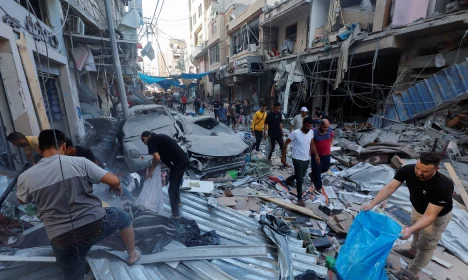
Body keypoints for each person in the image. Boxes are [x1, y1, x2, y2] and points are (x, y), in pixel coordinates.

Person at [17, 129, 140, 279]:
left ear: (39, 150)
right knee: (123, 217)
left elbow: (22, 200)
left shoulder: (25, 177)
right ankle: (132, 254)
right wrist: (116, 186)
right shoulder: (80, 162)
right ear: (63, 146)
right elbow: (114, 180)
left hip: (63, 239)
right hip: (95, 226)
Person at [362, 152, 453, 280]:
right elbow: (389, 188)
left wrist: (410, 230)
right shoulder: (407, 170)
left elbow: (430, 215)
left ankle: (412, 272)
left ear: (436, 169)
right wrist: (372, 204)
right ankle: (412, 252)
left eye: (425, 172)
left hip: (437, 216)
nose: (419, 173)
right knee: (416, 232)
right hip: (417, 208)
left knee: (426, 244)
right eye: (418, 168)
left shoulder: (444, 185)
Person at [141, 131, 188, 219]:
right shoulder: (158, 137)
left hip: (177, 165)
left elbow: (157, 158)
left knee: (171, 190)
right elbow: (155, 157)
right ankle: (178, 202)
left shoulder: (150, 141)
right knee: (175, 183)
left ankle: (175, 215)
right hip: (183, 160)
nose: (146, 145)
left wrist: (156, 167)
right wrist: (152, 170)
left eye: (144, 143)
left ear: (144, 138)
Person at [282, 117, 320, 206]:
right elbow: (286, 143)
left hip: (306, 158)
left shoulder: (311, 132)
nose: (308, 128)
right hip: (296, 158)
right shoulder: (295, 133)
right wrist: (283, 157)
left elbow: (312, 144)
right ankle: (299, 198)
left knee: (301, 175)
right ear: (303, 124)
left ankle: (289, 179)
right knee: (300, 180)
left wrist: (316, 155)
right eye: (307, 126)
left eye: (310, 126)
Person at [310, 119, 334, 194]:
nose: (326, 129)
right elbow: (312, 144)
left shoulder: (330, 130)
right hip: (317, 155)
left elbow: (332, 136)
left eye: (327, 127)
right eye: (324, 127)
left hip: (326, 154)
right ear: (320, 125)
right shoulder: (313, 132)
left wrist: (330, 145)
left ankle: (312, 174)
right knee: (318, 171)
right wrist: (316, 154)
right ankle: (318, 188)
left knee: (326, 168)